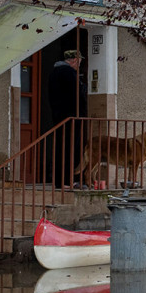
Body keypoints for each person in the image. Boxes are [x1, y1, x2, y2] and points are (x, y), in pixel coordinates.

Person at [48, 49, 88, 188]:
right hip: (71, 117)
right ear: (74, 60)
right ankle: (67, 181)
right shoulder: (69, 73)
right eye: (79, 62)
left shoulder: (54, 73)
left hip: (59, 116)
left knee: (61, 148)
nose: (79, 65)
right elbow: (77, 94)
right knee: (71, 149)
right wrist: (83, 88)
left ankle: (60, 181)